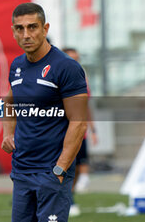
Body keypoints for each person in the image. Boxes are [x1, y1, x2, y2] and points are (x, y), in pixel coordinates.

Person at [2, 3, 88, 222]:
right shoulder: (16, 65)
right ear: (13, 31)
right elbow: (9, 100)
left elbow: (79, 123)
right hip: (22, 171)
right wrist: (7, 133)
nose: (26, 34)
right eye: (20, 29)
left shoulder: (66, 67)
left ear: (45, 28)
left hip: (51, 172)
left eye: (33, 27)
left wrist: (60, 169)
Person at [62, 47, 98, 216]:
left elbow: (86, 105)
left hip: (80, 130)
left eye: (77, 58)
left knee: (77, 167)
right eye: (71, 58)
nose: (75, 62)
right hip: (62, 131)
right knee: (65, 165)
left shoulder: (82, 79)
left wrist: (93, 129)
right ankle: (66, 198)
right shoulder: (57, 77)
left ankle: (70, 194)